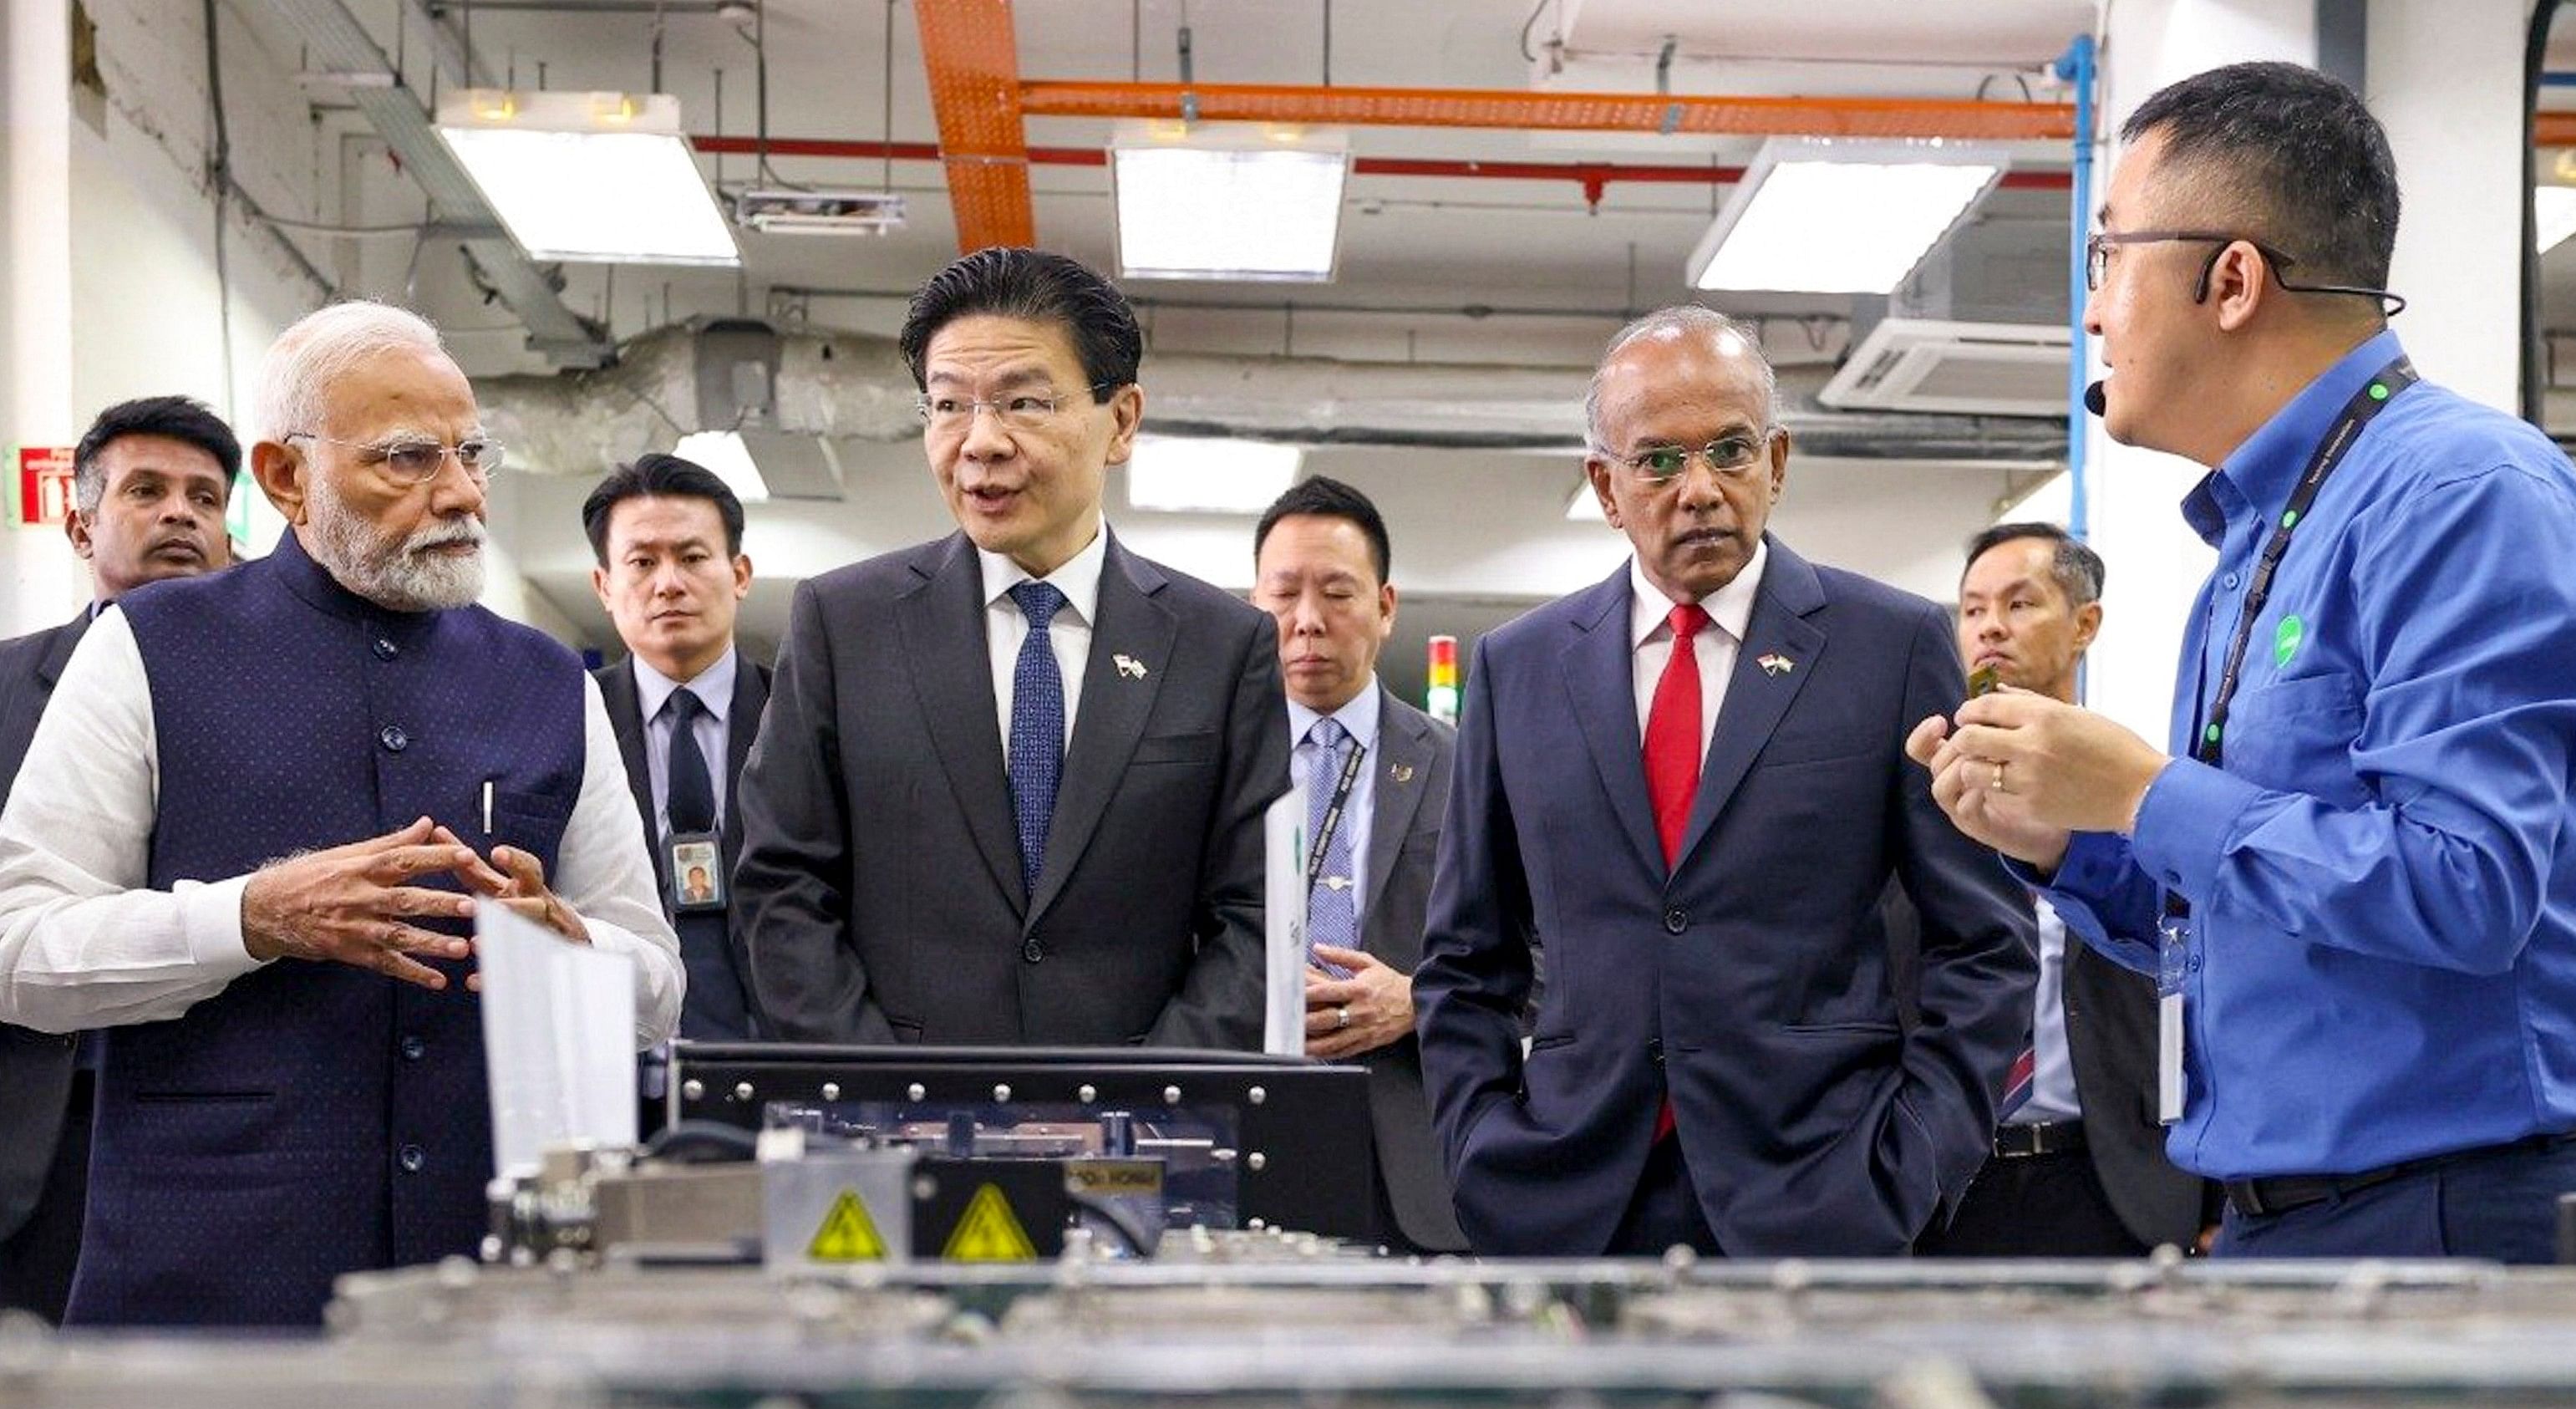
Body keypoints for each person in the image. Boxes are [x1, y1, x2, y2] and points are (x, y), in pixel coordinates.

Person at [1910, 61, 2576, 1267]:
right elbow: (2234, 922)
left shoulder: (2463, 497)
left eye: (2106, 258)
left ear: (2231, 279)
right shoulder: (2259, 538)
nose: (2091, 311)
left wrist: (2145, 793)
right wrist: (2063, 840)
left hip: (2455, 1229)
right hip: (2281, 1224)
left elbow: (2465, 885)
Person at [0, 303, 680, 1327]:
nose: (459, 493)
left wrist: (574, 946)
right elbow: (20, 950)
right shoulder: (149, 649)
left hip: (487, 1281)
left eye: (471, 453)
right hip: (209, 1278)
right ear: (285, 479)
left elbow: (661, 981)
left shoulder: (551, 682)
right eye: (407, 459)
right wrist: (249, 918)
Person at [1417, 307, 2032, 1260]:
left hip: (1824, 1197)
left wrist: (1913, 1162)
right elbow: (1466, 960)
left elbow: (1983, 943)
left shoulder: (1893, 647)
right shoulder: (1521, 668)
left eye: (1730, 452)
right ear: (1606, 487)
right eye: (1658, 460)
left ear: (1777, 463)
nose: (1698, 490)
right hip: (1570, 1203)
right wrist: (1479, 1149)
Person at [737, 247, 1286, 1047]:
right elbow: (781, 888)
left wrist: (1152, 1098)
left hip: (1139, 1133)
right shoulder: (843, 624)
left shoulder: (1220, 646)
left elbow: (1258, 915)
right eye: (949, 406)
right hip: (896, 1124)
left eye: (1023, 403)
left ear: (1121, 420)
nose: (979, 441)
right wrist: (882, 1091)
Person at [0, 394, 242, 1321]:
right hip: (36, 1132)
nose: (180, 512)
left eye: (205, 498)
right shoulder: (6, 685)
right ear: (79, 522)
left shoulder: (269, 702)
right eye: (146, 490)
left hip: (208, 1126)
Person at [1916, 523, 2212, 1257]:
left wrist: (2213, 1192)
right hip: (1946, 1179)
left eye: (2019, 604)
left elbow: (2197, 990)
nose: (1990, 626)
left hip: (2115, 1177)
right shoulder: (1926, 791)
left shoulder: (2138, 787)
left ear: (2085, 623)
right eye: (1973, 608)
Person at [1253, 474, 1466, 1254]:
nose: (1308, 621)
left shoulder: (1469, 766)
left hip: (1421, 1165)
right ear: (1254, 606)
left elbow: (1550, 955)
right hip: (1249, 1141)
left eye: (1337, 593)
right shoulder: (1202, 771)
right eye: (1284, 594)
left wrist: (1420, 1000)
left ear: (1384, 607)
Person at [586, 452, 768, 1042]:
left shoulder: (803, 712)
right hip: (619, 1048)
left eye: (692, 557)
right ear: (604, 587)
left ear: (739, 574)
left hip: (780, 1050)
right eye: (642, 562)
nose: (668, 583)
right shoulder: (569, 720)